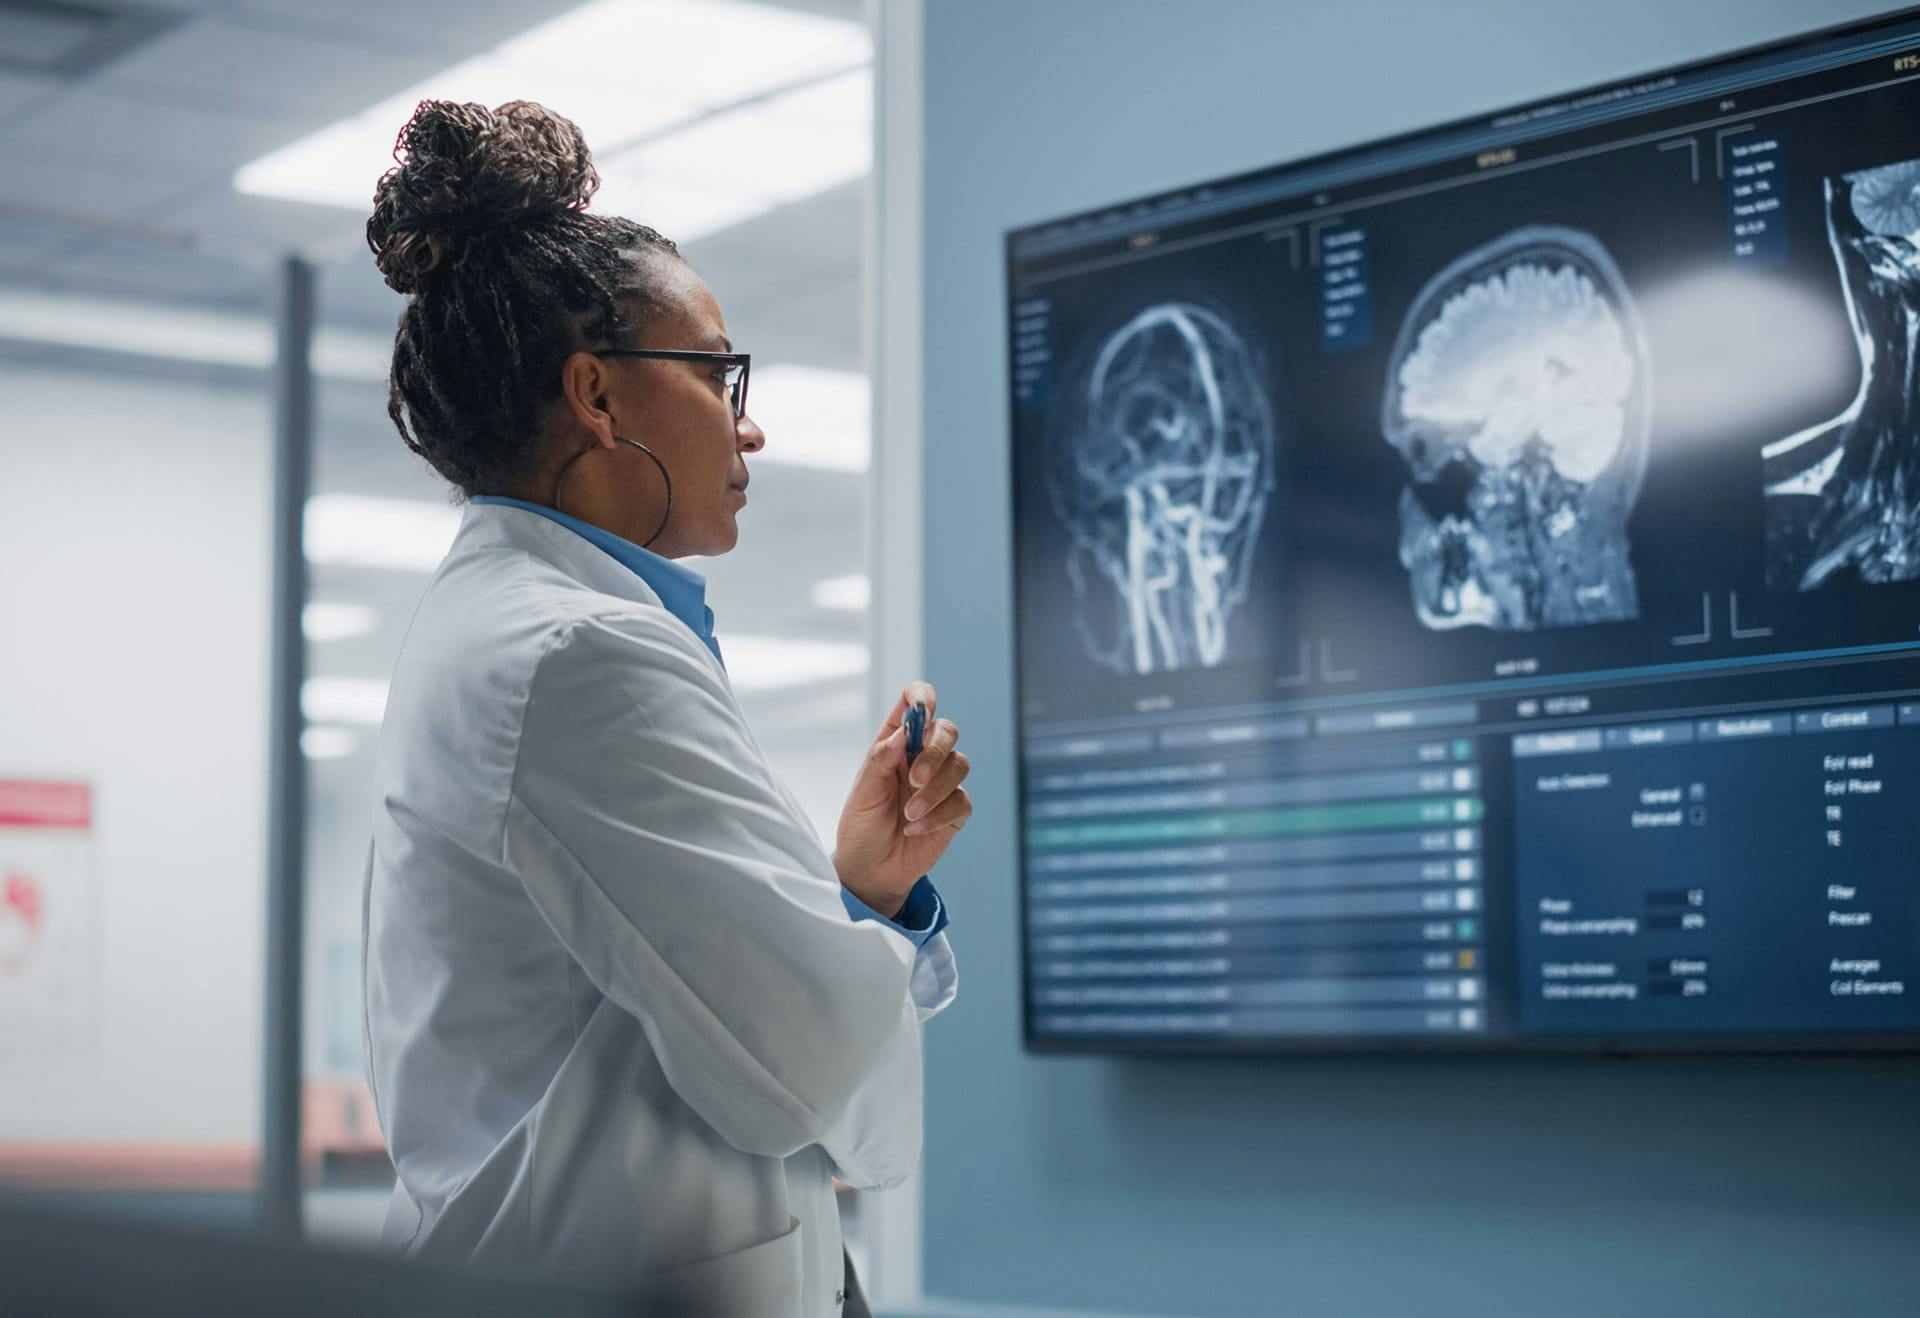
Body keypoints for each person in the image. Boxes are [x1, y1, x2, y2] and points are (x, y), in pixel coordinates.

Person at [358, 100, 966, 1317]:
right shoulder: (578, 651)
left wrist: (861, 897)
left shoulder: (515, 622)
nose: (749, 423)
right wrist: (864, 946)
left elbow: (686, 1001)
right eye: (717, 372)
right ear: (598, 393)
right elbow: (808, 1065)